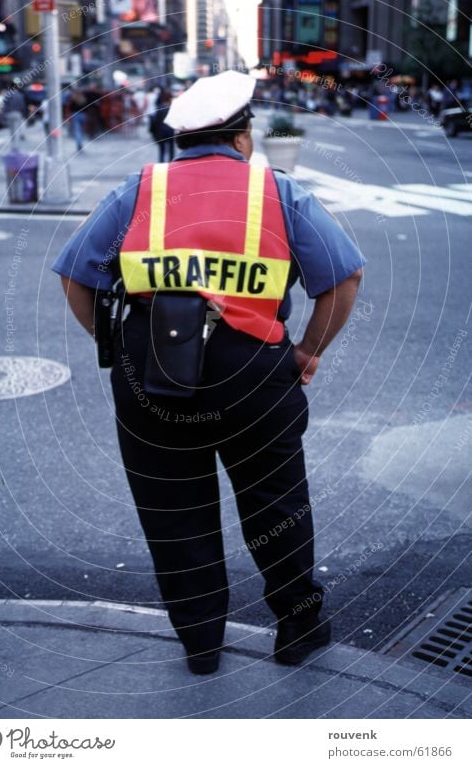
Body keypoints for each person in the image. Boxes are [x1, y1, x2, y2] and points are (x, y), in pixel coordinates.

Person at [52, 71, 365, 676]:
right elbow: (343, 278)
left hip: (154, 373)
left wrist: (115, 345)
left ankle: (200, 644)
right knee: (276, 505)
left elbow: (76, 274)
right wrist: (306, 349)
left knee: (174, 511)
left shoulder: (139, 191)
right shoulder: (277, 192)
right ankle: (298, 628)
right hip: (255, 376)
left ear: (181, 140)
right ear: (243, 138)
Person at [149, 91, 175, 162]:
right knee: (171, 150)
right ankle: (171, 164)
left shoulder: (159, 108)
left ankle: (161, 164)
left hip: (161, 131)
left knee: (162, 150)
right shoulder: (172, 108)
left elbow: (156, 121)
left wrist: (153, 131)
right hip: (170, 131)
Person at [68, 87, 87, 151]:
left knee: (77, 130)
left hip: (76, 115)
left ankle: (79, 143)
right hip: (83, 115)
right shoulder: (83, 99)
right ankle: (80, 142)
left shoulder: (73, 99)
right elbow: (86, 108)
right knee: (81, 130)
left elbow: (70, 108)